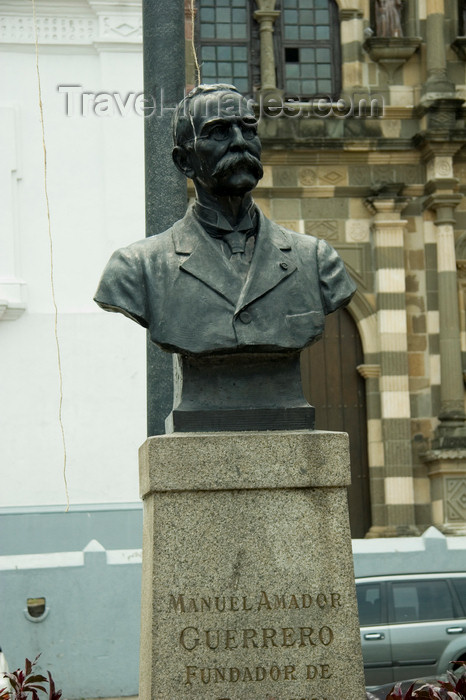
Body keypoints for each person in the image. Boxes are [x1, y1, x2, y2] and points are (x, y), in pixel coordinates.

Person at [94, 84, 356, 357]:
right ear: (184, 161)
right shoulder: (137, 268)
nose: (240, 142)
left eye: (248, 129)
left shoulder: (317, 261)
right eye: (218, 132)